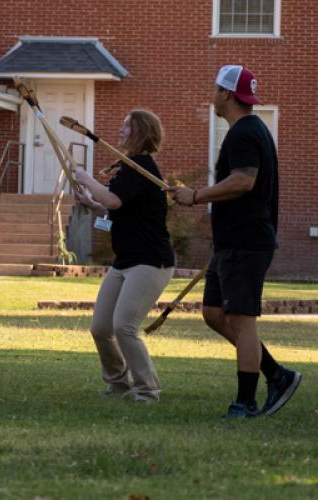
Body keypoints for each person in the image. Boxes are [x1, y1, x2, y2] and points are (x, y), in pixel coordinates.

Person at [168, 65, 301, 418]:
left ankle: (245, 402)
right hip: (230, 243)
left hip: (247, 241)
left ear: (226, 94)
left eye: (215, 90)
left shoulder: (244, 133)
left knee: (242, 320)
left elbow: (244, 181)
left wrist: (195, 195)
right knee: (214, 314)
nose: (212, 95)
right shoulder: (247, 130)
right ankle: (277, 374)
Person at [72, 110, 175, 405]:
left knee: (124, 327)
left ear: (141, 133)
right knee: (101, 328)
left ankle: (148, 390)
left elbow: (113, 199)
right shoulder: (128, 169)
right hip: (126, 260)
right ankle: (119, 384)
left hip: (150, 262)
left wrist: (86, 178)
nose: (121, 130)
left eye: (127, 126)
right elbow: (115, 211)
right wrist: (92, 204)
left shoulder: (140, 167)